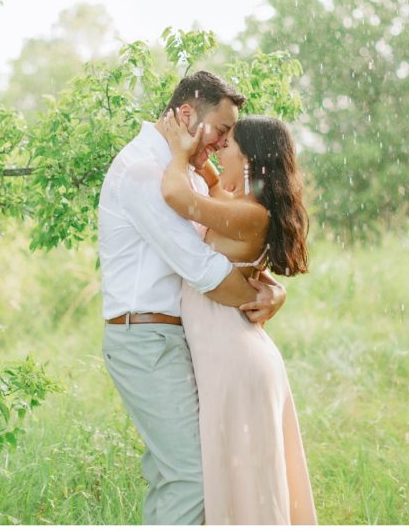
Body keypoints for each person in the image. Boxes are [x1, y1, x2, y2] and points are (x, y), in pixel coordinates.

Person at [98, 71, 288, 525]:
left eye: (229, 137)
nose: (222, 145)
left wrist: (270, 288)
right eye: (221, 131)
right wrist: (253, 296)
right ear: (186, 114)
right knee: (191, 477)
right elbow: (202, 269)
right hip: (146, 338)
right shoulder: (146, 171)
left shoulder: (187, 173)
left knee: (173, 475)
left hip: (179, 340)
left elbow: (236, 240)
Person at [157, 110, 318, 525]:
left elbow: (177, 195)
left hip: (234, 359)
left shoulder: (251, 214)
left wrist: (180, 153)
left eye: (227, 145)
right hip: (232, 354)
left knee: (248, 483)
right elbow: (212, 186)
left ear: (248, 160)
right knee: (241, 478)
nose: (219, 149)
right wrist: (204, 161)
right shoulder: (245, 207)